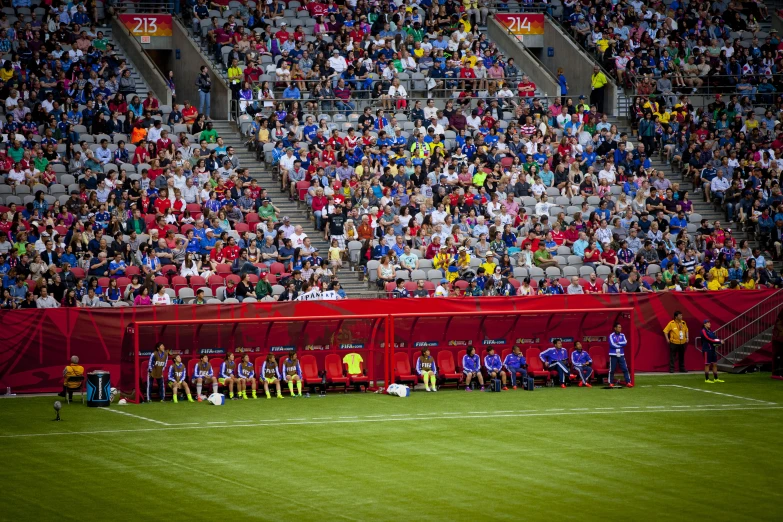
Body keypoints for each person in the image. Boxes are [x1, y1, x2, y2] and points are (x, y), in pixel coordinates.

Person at [608, 323, 633, 387]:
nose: (620, 328)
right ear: (615, 328)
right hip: (613, 354)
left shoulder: (622, 335)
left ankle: (628, 382)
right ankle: (611, 382)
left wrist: (618, 343)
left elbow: (625, 342)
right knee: (612, 369)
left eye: (620, 327)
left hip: (621, 354)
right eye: (619, 327)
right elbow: (612, 344)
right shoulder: (611, 335)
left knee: (625, 368)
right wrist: (620, 346)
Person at [700, 319, 725, 384]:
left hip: (712, 349)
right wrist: (719, 341)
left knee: (714, 364)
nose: (709, 324)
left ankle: (716, 378)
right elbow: (708, 339)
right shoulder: (703, 331)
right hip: (706, 349)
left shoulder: (710, 331)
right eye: (708, 323)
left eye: (709, 323)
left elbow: (714, 338)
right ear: (704, 324)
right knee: (707, 364)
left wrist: (718, 342)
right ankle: (707, 379)